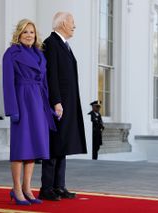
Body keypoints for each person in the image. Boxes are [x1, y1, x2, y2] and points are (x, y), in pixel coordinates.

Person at [2, 19, 56, 205]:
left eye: (32, 32)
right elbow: (7, 83)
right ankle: (16, 190)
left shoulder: (40, 55)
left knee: (33, 148)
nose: (29, 35)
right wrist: (12, 109)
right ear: (19, 34)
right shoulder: (11, 53)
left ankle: (27, 188)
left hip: (38, 102)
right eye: (25, 32)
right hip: (22, 101)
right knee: (20, 147)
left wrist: (48, 107)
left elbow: (45, 84)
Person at [39, 12, 87, 201]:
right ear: (62, 24)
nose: (74, 26)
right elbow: (51, 75)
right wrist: (56, 101)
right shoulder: (51, 44)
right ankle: (47, 187)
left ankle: (59, 186)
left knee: (63, 144)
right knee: (54, 144)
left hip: (68, 102)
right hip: (58, 104)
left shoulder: (64, 45)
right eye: (72, 23)